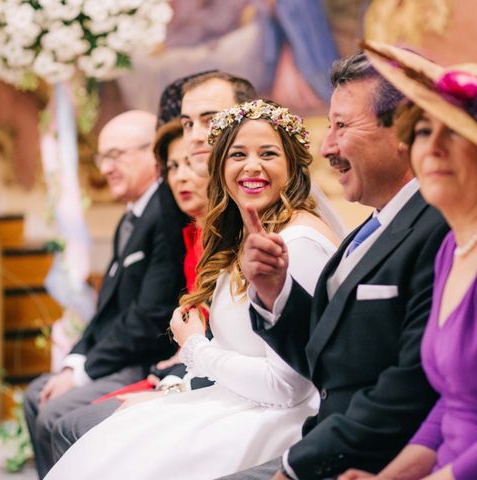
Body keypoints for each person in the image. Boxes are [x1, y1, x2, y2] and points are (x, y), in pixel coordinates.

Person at [45, 99, 339, 480]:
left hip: (277, 420)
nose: (251, 165)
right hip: (235, 400)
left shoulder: (295, 243)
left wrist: (197, 347)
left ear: (293, 167)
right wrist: (178, 386)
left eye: (268, 153)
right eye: (237, 154)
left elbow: (288, 388)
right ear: (220, 168)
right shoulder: (247, 236)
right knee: (103, 444)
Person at [226, 52, 450, 480]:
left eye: (341, 126)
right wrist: (275, 291)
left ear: (404, 129)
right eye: (329, 127)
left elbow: (411, 385)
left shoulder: (438, 227)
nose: (326, 147)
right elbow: (330, 359)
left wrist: (297, 465)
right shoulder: (373, 226)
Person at [337, 42, 477, 480]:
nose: (432, 148)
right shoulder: (457, 244)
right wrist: (389, 478)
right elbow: (453, 404)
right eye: (423, 131)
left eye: (454, 132)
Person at [23, 110, 186, 478]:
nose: (106, 167)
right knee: (38, 394)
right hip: (120, 355)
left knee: (55, 411)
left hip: (147, 357)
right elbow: (106, 310)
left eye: (117, 155)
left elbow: (149, 317)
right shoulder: (130, 217)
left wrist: (84, 373)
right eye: (102, 157)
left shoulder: (167, 213)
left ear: (153, 154)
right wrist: (74, 362)